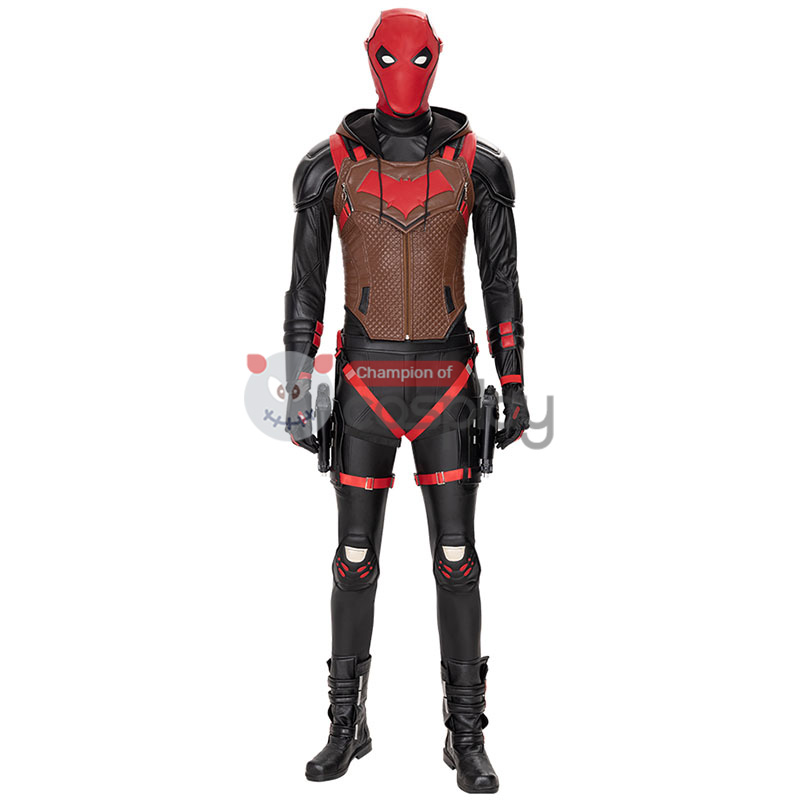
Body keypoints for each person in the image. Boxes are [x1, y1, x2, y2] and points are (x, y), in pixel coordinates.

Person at [282, 9, 530, 794]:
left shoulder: (477, 166)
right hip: (366, 385)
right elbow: (304, 288)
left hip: (447, 385)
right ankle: (345, 723)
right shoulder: (329, 167)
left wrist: (515, 383)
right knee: (354, 560)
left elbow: (500, 280)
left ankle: (466, 733)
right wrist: (296, 387)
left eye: (417, 58)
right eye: (391, 58)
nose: (403, 72)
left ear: (437, 58)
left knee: (457, 560)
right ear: (370, 59)